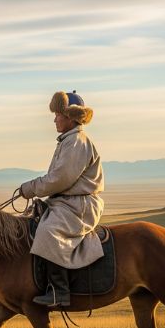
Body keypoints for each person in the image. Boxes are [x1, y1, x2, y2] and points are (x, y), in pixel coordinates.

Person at [19, 90, 105, 307]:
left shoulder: (76, 141)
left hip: (79, 205)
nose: (54, 119)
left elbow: (60, 179)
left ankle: (60, 292)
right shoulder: (68, 140)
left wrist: (30, 188)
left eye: (58, 114)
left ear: (70, 116)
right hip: (67, 203)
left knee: (48, 232)